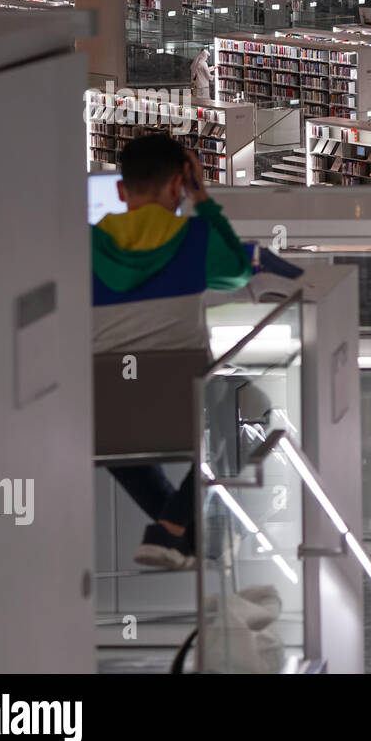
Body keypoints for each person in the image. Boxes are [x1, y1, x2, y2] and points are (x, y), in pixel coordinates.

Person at [93, 135, 254, 568]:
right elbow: (239, 271)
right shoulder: (192, 237)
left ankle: (179, 535)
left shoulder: (85, 244)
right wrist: (201, 197)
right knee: (251, 412)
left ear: (122, 190)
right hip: (183, 412)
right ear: (176, 187)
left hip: (107, 423)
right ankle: (176, 529)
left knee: (111, 434)